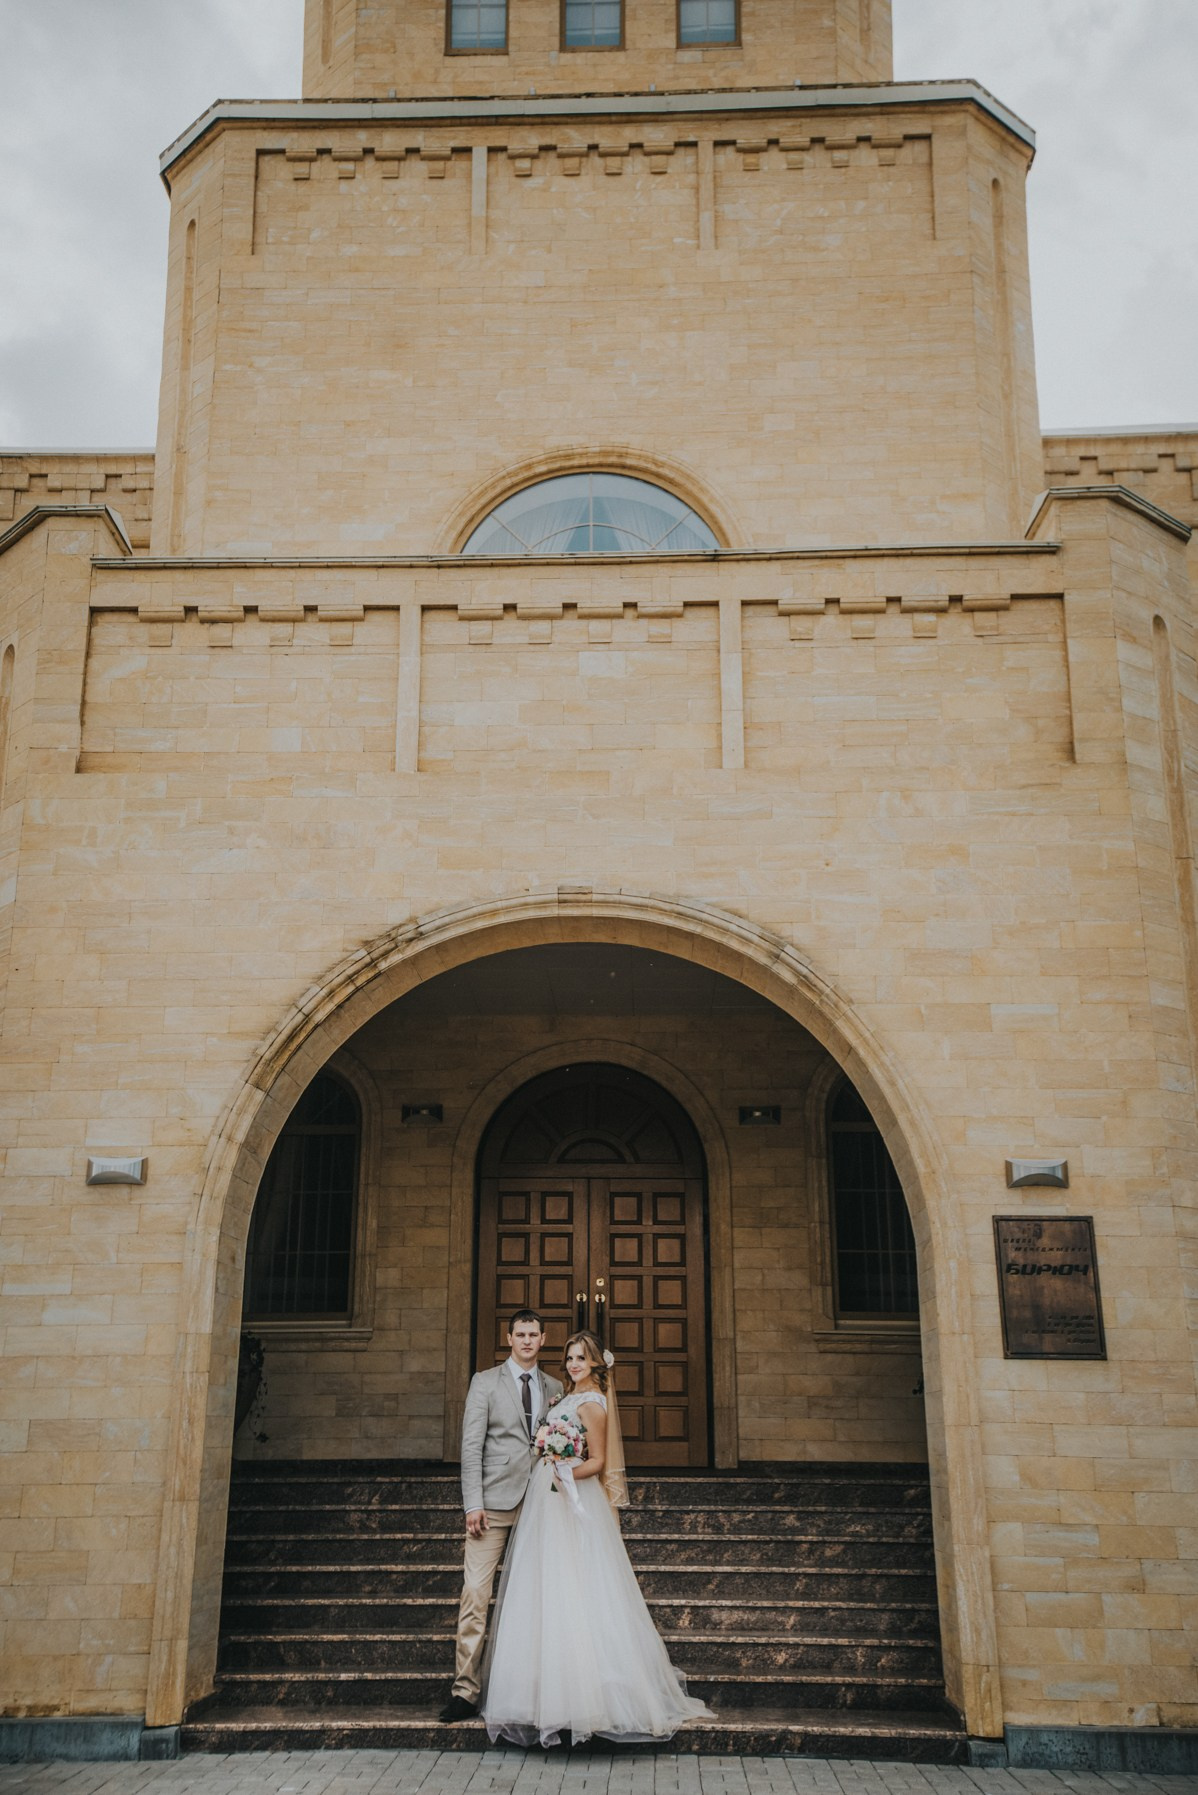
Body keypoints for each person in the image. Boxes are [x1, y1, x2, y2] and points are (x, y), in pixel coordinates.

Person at [480, 1329, 712, 1748]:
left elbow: (599, 1461)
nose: (572, 1365)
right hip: (548, 1501)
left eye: (581, 1360)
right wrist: (550, 1459)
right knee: (544, 1588)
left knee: (578, 1587)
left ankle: (585, 1700)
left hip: (571, 1500)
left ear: (595, 1365)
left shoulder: (593, 1403)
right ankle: (537, 1698)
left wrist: (562, 1469)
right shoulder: (563, 1399)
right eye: (569, 1358)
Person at [439, 1309, 564, 1723]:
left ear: (543, 1339)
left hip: (540, 1505)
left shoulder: (555, 1387)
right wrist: (472, 1503)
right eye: (520, 1334)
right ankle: (465, 1691)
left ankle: (535, 1690)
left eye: (534, 1334)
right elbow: (471, 1446)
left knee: (537, 1599)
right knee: (476, 1593)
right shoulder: (484, 1382)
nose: (527, 1341)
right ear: (509, 1338)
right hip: (491, 1505)